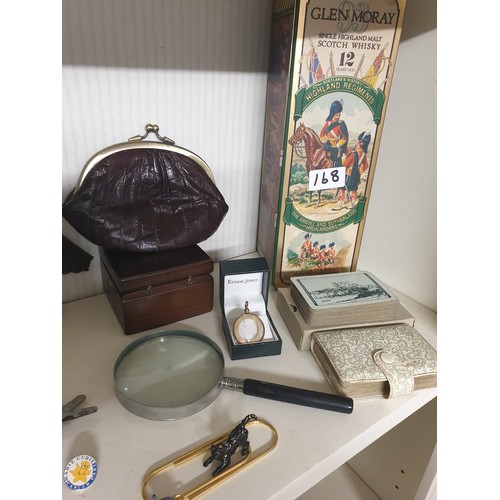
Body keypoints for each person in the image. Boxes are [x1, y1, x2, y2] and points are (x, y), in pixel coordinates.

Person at [333, 131, 371, 210]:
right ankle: (351, 205)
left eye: (358, 142)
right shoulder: (363, 155)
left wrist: (343, 159)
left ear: (360, 144)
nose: (356, 143)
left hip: (348, 174)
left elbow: (346, 164)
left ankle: (339, 206)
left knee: (342, 189)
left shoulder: (353, 154)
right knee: (354, 189)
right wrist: (360, 171)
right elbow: (366, 166)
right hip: (356, 174)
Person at [320, 100, 349, 168]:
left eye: (339, 115)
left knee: (334, 154)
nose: (338, 117)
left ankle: (334, 166)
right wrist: (324, 139)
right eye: (336, 115)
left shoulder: (340, 124)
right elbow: (322, 133)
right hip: (327, 144)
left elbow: (344, 138)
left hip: (334, 146)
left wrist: (337, 144)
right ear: (332, 114)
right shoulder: (328, 123)